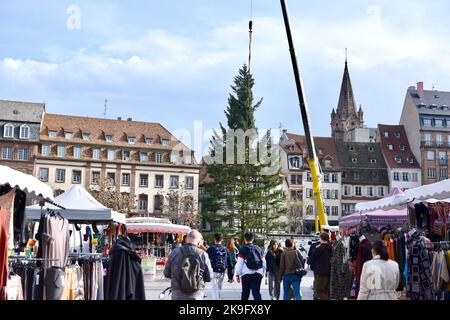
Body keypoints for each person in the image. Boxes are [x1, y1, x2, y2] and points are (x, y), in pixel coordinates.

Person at [163, 230, 213, 300]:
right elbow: (209, 277)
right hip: (196, 293)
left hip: (177, 292)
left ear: (186, 240)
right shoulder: (203, 254)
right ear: (199, 241)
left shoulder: (175, 252)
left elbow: (166, 273)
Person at [234, 232, 266, 300]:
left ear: (245, 239)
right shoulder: (259, 249)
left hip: (246, 274)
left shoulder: (242, 249)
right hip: (258, 273)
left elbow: (239, 263)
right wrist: (262, 273)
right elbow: (264, 263)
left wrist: (237, 274)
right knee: (256, 293)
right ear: (253, 239)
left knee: (245, 293)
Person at [207, 233, 234, 300]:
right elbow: (230, 263)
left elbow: (205, 260)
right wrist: (230, 276)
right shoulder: (226, 249)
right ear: (222, 239)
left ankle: (216, 299)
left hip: (213, 270)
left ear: (214, 239)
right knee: (219, 287)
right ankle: (218, 298)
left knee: (214, 288)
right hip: (222, 270)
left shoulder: (211, 249)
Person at [312, 232, 332, 300]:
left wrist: (316, 248)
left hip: (321, 272)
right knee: (326, 290)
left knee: (319, 290)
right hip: (329, 271)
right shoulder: (330, 247)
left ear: (321, 238)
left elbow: (314, 257)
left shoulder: (320, 248)